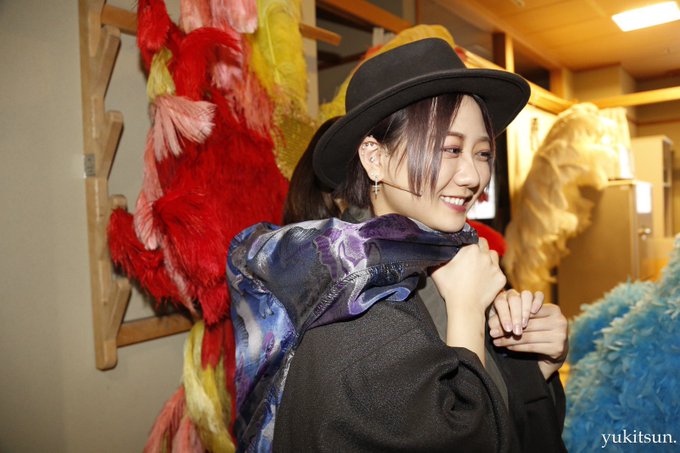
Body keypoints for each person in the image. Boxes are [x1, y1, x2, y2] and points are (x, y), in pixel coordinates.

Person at [228, 38, 568, 452]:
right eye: (450, 149)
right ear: (375, 158)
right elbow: (460, 440)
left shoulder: (453, 255)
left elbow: (505, 411)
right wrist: (466, 310)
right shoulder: (351, 299)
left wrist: (536, 364)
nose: (472, 177)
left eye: (482, 153)